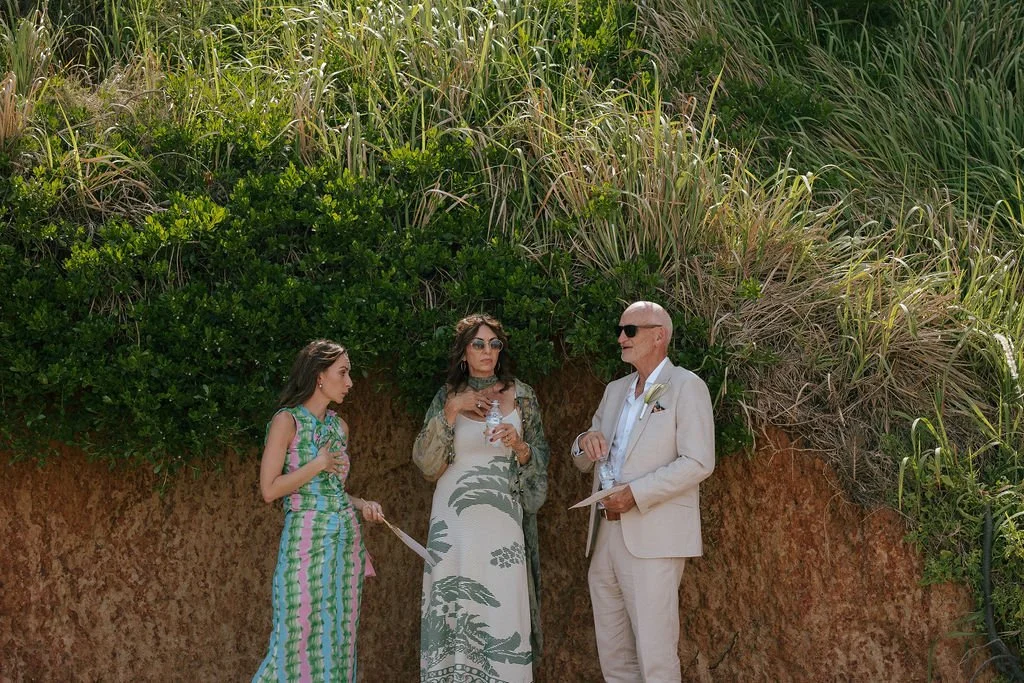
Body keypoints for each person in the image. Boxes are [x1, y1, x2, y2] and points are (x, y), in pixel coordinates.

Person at [572, 301, 715, 683]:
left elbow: (698, 461)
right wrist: (584, 441)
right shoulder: (614, 390)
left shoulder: (688, 386)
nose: (621, 337)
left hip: (654, 538)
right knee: (614, 659)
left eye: (630, 330)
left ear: (658, 336)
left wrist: (635, 494)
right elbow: (583, 456)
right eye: (619, 330)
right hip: (605, 536)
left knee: (656, 657)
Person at [413, 314, 550, 683]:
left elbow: (540, 461)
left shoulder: (522, 395)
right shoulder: (446, 396)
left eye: (494, 344)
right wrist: (452, 409)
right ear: (464, 353)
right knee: (454, 607)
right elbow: (427, 464)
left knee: (503, 606)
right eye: (478, 344)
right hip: (454, 526)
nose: (487, 351)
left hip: (503, 525)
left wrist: (519, 445)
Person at [253, 339, 384, 683]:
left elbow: (332, 491)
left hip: (345, 544)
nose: (350, 382)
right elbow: (270, 490)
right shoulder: (287, 421)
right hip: (306, 543)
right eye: (343, 373)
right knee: (294, 639)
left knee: (339, 642)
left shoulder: (340, 428)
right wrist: (319, 463)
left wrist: (363, 504)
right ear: (319, 376)